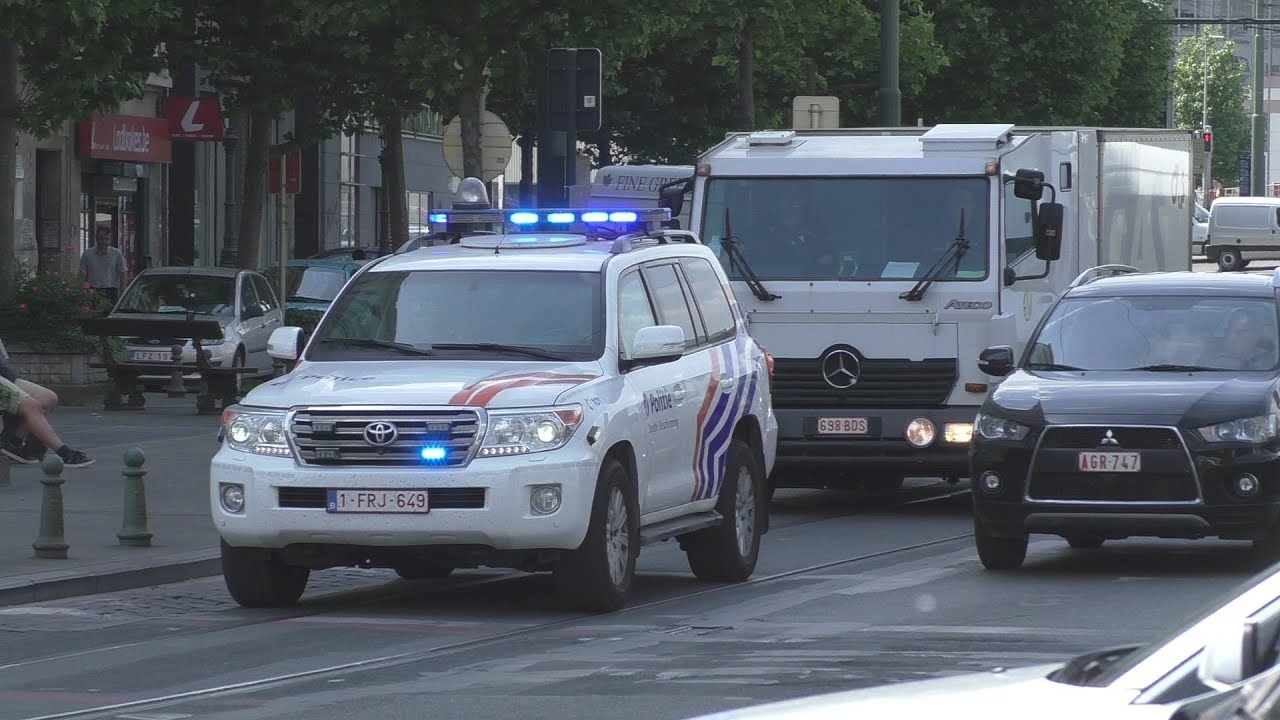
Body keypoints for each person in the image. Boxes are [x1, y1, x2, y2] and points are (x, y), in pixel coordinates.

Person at [0, 352, 93, 467]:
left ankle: (13, 442)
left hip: (5, 375)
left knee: (48, 397)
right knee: (31, 405)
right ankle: (64, 453)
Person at [1202, 307, 1276, 371]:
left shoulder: (1271, 362)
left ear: (1256, 334)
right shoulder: (1212, 364)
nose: (1231, 337)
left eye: (1241, 332)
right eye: (1228, 332)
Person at [80, 227, 129, 306]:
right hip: (92, 291)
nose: (103, 241)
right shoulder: (87, 254)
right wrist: (81, 290)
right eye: (101, 238)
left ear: (110, 240)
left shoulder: (116, 254)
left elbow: (122, 272)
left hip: (110, 291)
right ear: (96, 238)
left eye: (106, 239)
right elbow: (82, 273)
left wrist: (123, 292)